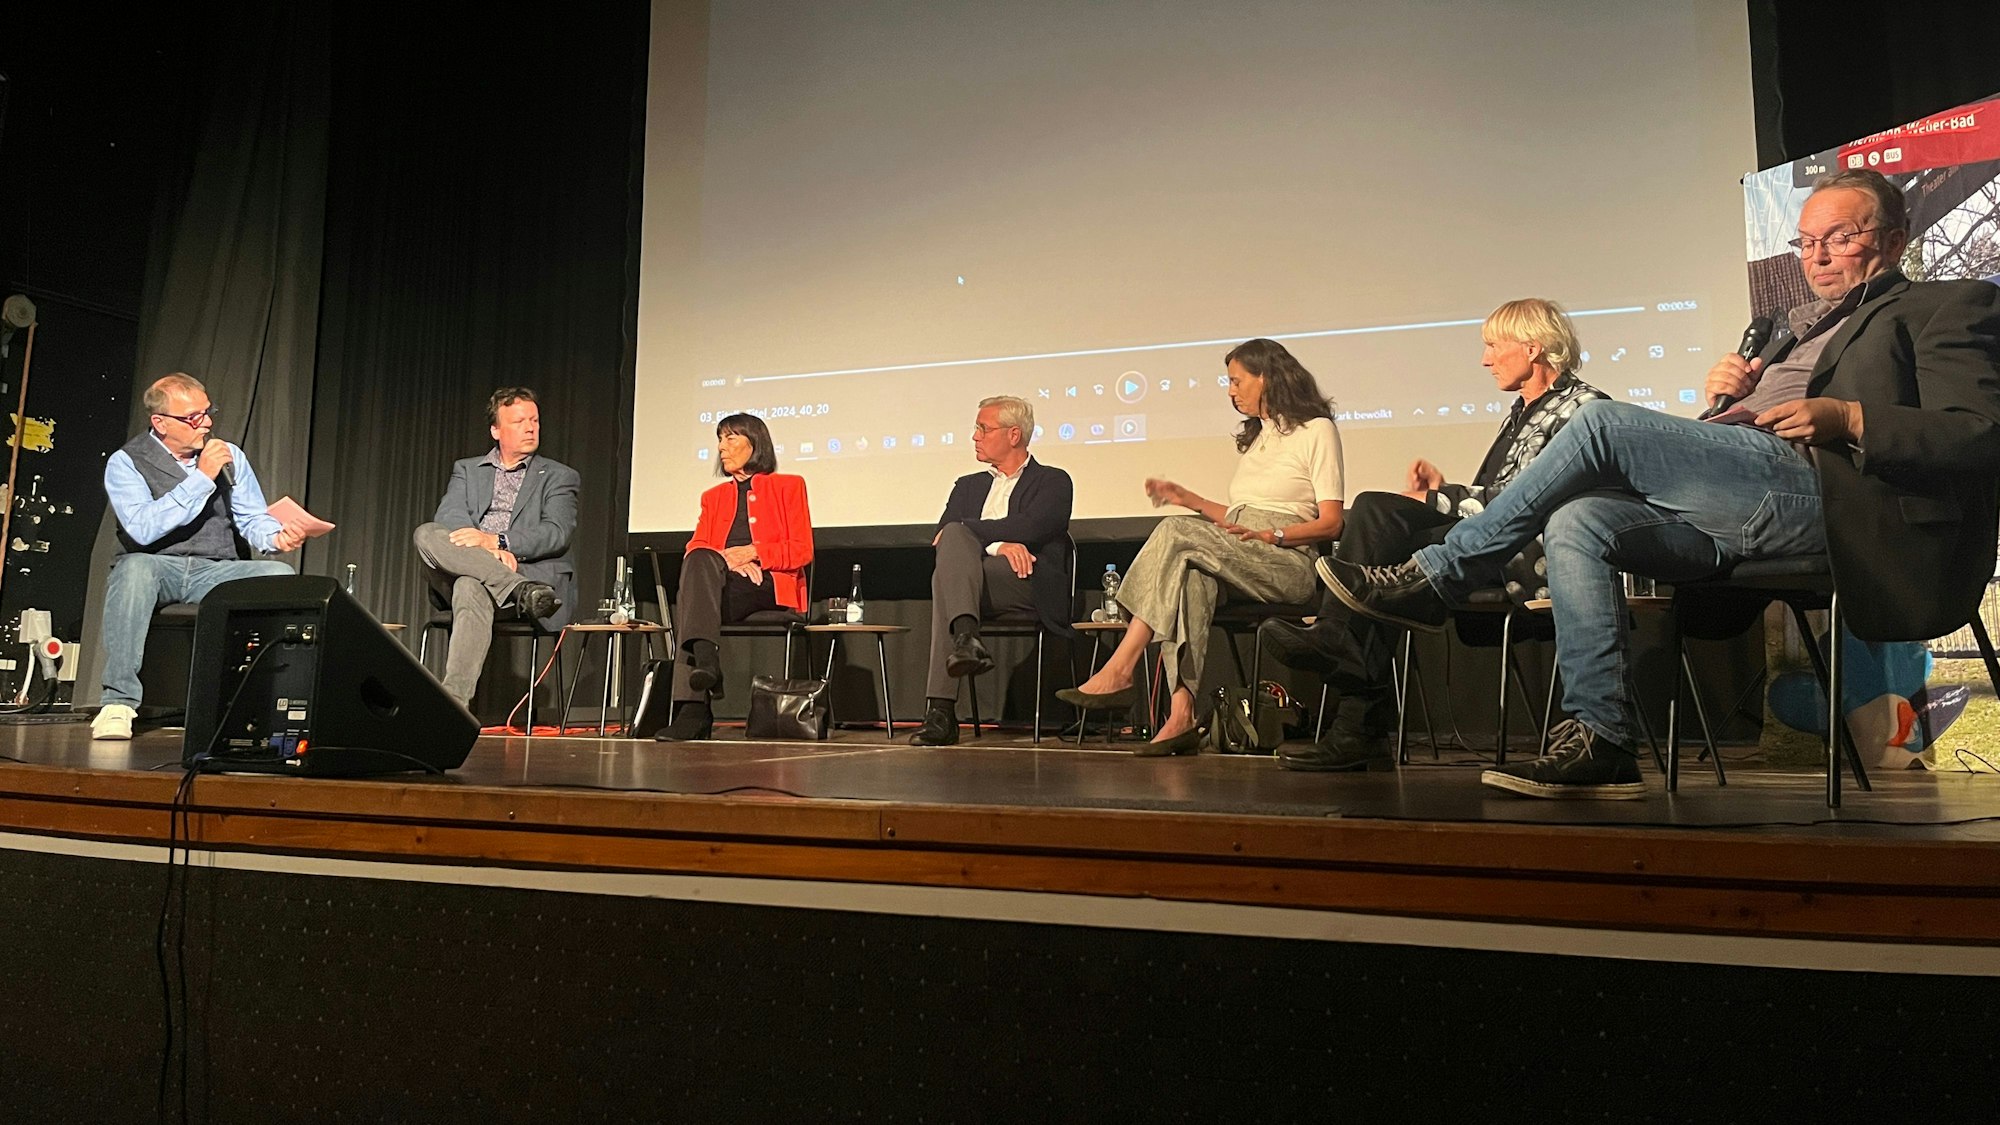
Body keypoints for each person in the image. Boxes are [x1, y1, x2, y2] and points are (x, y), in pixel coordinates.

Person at [1320, 169, 2000, 798]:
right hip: (1742, 496)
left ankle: (1436, 576)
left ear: (1895, 239)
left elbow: (1978, 431)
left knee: (1602, 423)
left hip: (1827, 496)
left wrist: (1846, 415)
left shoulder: (1944, 305)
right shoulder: (1788, 333)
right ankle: (1602, 740)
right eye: (1806, 241)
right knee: (1578, 520)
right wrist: (1732, 401)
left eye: (1840, 238)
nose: (1817, 255)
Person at [1267, 299, 1607, 771]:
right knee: (1372, 508)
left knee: (1384, 560)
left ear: (1532, 348)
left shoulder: (1584, 409)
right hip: (1488, 540)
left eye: (1493, 346)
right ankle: (1337, 639)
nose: (1485, 359)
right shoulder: (1522, 411)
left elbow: (1526, 502)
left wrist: (1436, 499)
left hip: (1534, 554)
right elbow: (1497, 495)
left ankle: (1353, 713)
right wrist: (1441, 491)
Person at [1057, 338, 1346, 754]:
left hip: (1288, 561)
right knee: (1192, 577)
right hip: (1242, 548)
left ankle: (1121, 665)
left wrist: (1275, 535)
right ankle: (1181, 716)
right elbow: (1240, 518)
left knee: (1177, 531)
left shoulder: (1316, 430)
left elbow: (1332, 522)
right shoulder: (1258, 439)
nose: (1230, 391)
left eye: (1236, 381)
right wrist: (1188, 498)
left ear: (1267, 377)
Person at [94, 374, 304, 739]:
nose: (206, 423)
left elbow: (252, 518)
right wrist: (201, 479)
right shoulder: (126, 462)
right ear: (160, 423)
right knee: (134, 570)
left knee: (278, 573)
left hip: (215, 570)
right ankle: (118, 703)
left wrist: (276, 537)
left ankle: (264, 701)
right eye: (194, 417)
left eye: (207, 412)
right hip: (158, 566)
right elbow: (143, 528)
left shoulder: (228, 456)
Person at [908, 396, 1075, 746]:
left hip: (1027, 580)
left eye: (983, 428)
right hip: (976, 581)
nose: (975, 436)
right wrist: (999, 545)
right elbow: (943, 537)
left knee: (950, 572)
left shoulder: (1053, 481)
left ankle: (941, 710)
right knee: (947, 575)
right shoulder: (967, 486)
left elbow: (1033, 528)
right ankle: (966, 640)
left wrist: (982, 537)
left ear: (1014, 434)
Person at [412, 387, 577, 709]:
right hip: (508, 582)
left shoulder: (559, 476)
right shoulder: (467, 469)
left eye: (534, 420)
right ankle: (520, 590)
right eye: (518, 421)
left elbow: (556, 533)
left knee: (470, 585)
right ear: (496, 430)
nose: (530, 428)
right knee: (426, 533)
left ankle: (452, 705)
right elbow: (449, 516)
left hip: (520, 567)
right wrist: (485, 552)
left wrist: (500, 542)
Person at [656, 413, 814, 741]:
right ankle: (706, 664)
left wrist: (754, 552)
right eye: (719, 439)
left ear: (755, 443)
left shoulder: (789, 486)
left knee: (692, 602)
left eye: (730, 438)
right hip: (725, 580)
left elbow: (802, 550)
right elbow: (698, 545)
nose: (721, 447)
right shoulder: (713, 497)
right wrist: (727, 562)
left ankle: (695, 709)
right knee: (698, 560)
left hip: (768, 582)